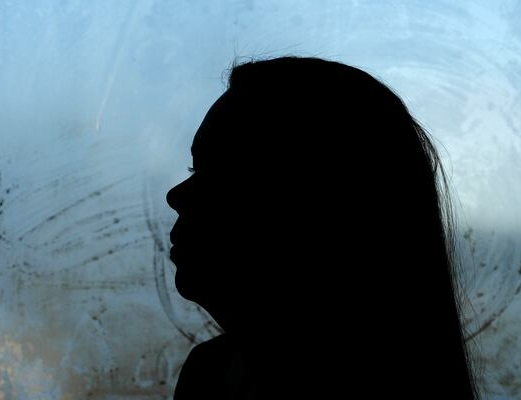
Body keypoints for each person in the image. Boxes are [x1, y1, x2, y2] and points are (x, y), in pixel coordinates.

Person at [166, 56, 482, 399]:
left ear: (315, 205)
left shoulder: (213, 377)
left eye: (225, 172)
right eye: (194, 169)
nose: (176, 195)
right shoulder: (210, 372)